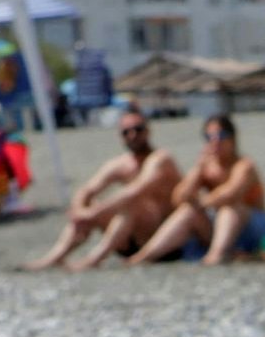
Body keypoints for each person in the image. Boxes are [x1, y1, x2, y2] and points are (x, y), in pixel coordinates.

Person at [25, 105, 183, 269]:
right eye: (126, 132)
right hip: (129, 238)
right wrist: (80, 209)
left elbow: (136, 190)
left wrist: (93, 213)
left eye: (138, 129)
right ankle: (56, 256)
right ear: (120, 136)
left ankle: (94, 259)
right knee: (90, 205)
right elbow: (87, 190)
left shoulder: (161, 159)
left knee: (131, 203)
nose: (133, 135)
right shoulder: (121, 164)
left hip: (162, 237)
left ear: (148, 131)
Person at [129, 113, 265, 264]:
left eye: (220, 136)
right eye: (209, 137)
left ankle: (215, 255)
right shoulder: (207, 167)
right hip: (221, 228)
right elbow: (178, 197)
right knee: (188, 211)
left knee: (228, 209)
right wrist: (198, 169)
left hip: (252, 229)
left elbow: (230, 194)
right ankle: (144, 256)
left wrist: (202, 202)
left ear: (232, 138)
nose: (215, 141)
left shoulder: (244, 166)